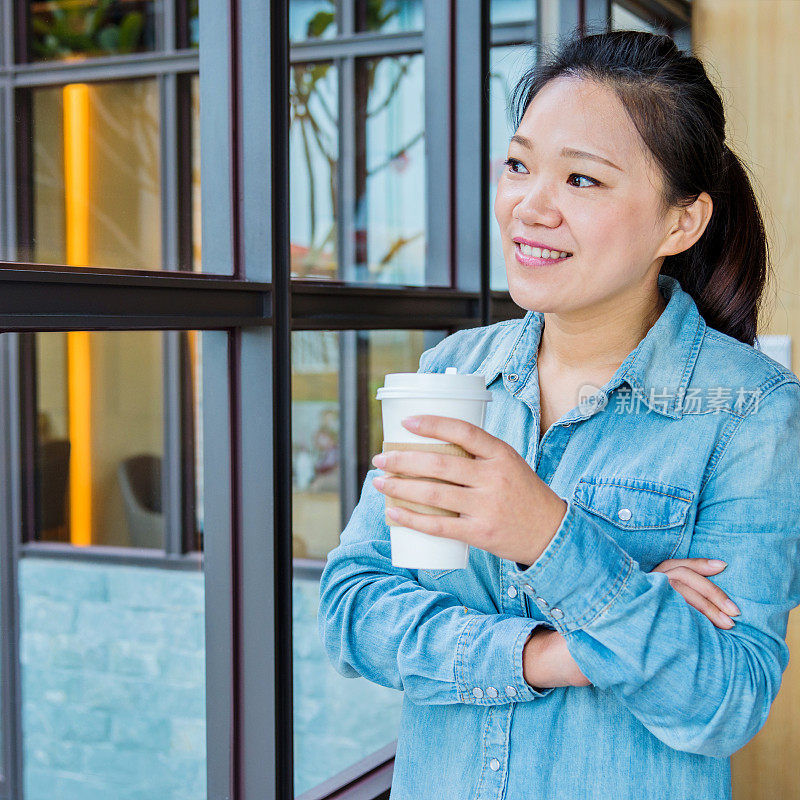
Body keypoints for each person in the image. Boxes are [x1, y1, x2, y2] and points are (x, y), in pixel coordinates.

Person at [317, 28, 800, 800]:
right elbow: (352, 610)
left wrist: (548, 534)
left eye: (582, 180)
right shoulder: (453, 373)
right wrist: (555, 653)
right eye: (519, 165)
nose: (529, 206)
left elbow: (726, 703)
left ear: (681, 223)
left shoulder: (751, 412)